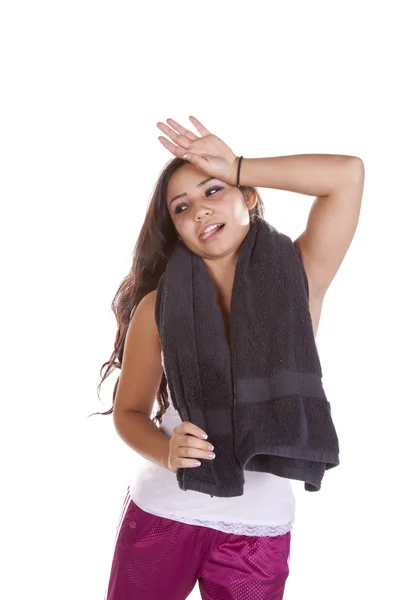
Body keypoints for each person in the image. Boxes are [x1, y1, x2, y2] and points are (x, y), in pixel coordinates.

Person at [93, 116, 365, 600]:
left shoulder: (301, 276)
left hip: (256, 527)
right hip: (163, 510)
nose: (199, 210)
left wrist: (238, 165)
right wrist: (166, 452)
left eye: (214, 191)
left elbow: (347, 175)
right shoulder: (158, 306)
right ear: (175, 229)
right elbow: (130, 412)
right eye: (182, 207)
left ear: (249, 197)